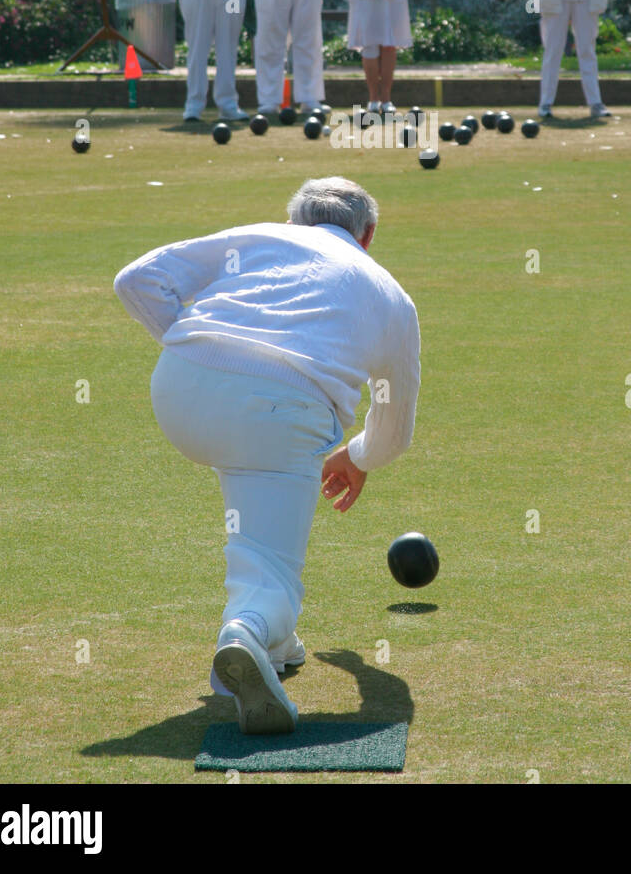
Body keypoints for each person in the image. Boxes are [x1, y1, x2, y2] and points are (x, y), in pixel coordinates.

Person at [113, 176, 421, 735]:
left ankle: (276, 646)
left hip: (180, 392)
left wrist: (199, 352)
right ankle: (247, 630)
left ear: (291, 221)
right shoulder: (391, 296)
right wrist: (357, 455)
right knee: (272, 572)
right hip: (283, 411)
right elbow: (394, 426)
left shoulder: (257, 238)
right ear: (368, 234)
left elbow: (137, 280)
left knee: (254, 517)